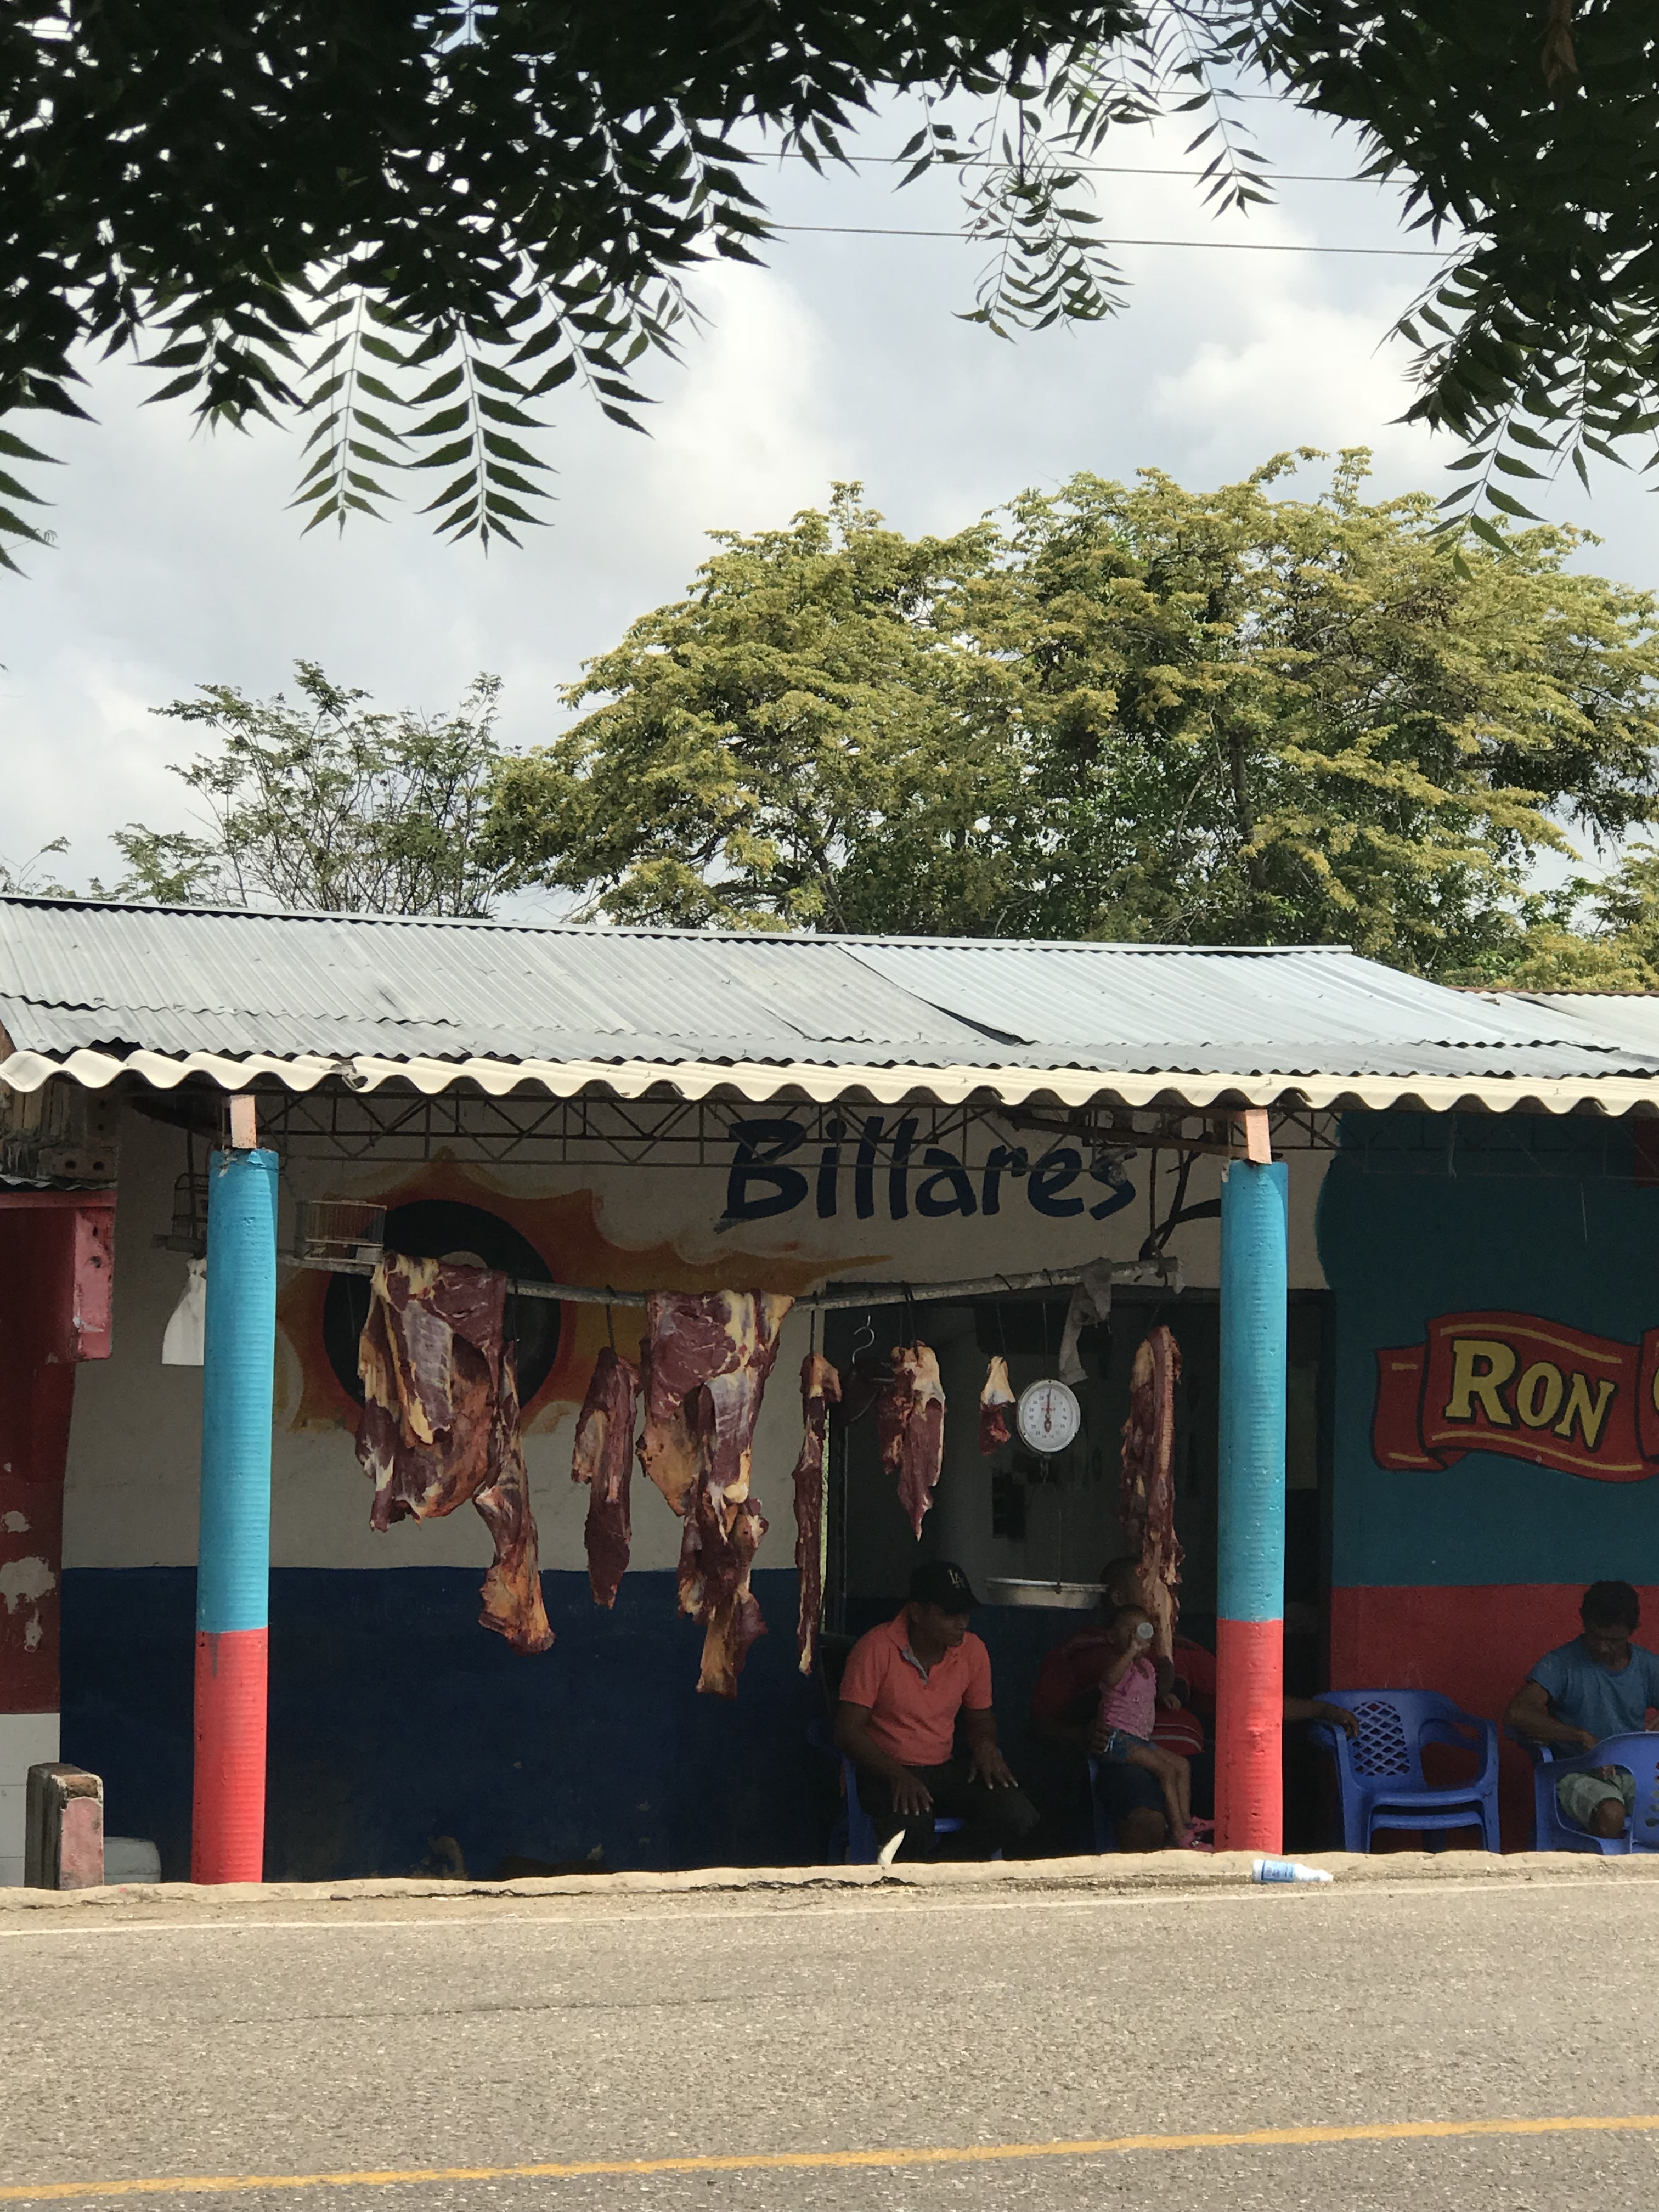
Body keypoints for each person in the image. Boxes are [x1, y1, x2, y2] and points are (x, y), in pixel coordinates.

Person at [1030, 1555, 1359, 1852]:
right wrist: (1081, 1736)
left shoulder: (1182, 1649)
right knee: (1145, 1819)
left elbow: (1247, 1701)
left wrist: (1320, 1709)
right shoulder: (1080, 1650)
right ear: (1118, 1598)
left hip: (1189, 1761)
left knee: (1249, 1793)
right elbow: (1042, 1724)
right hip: (1126, 1759)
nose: (1161, 1597)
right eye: (1149, 1588)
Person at [835, 1559, 1041, 1861]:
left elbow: (981, 1717)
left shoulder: (973, 1650)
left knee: (1016, 1812)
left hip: (941, 1768)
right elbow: (847, 1730)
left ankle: (937, 1871)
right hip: (882, 1771)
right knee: (913, 1823)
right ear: (917, 1613)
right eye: (949, 1614)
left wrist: (985, 1744)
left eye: (965, 1613)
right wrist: (897, 1775)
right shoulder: (876, 1647)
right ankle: (915, 1879)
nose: (962, 1623)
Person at [1505, 1580, 1659, 1841]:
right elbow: (1517, 1714)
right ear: (1584, 1622)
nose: (1603, 1647)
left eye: (1614, 1641)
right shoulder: (1561, 1664)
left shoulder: (1647, 1666)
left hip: (1634, 1773)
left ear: (1632, 1631)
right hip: (1576, 1772)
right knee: (1611, 1814)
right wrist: (1579, 1736)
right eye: (1596, 1637)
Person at [1093, 1602, 1195, 1846]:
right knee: (1166, 1771)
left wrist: (1165, 1697)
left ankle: (1188, 1824)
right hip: (1117, 1738)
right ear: (1112, 1637)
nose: (1136, 1638)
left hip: (1139, 1739)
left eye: (1141, 1631)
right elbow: (1109, 1680)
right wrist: (1131, 1650)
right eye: (1130, 1631)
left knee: (1182, 1766)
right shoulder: (1117, 1664)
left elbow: (1149, 1692)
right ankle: (1179, 1833)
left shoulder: (1147, 1667)